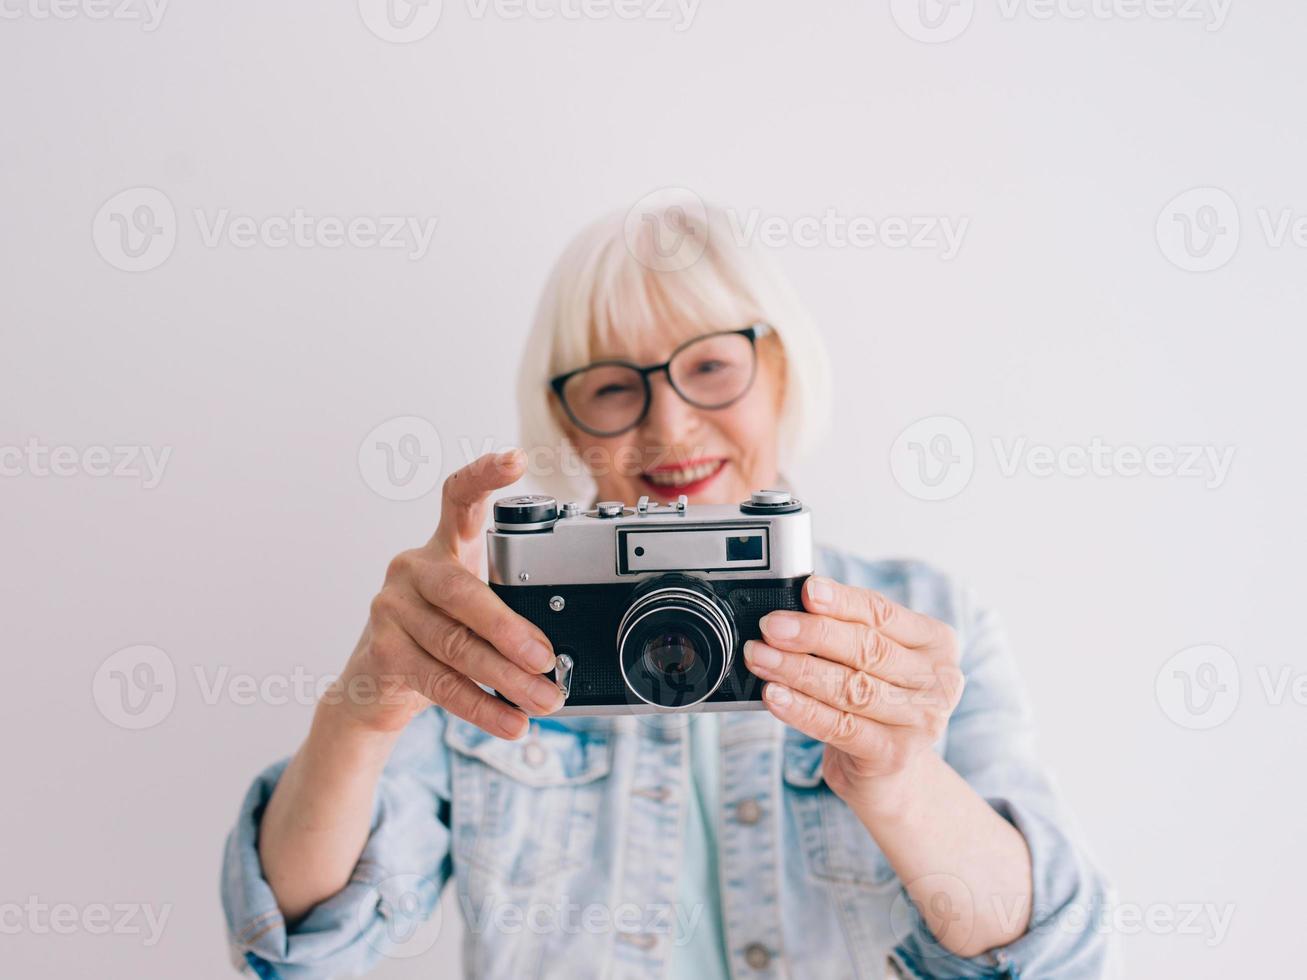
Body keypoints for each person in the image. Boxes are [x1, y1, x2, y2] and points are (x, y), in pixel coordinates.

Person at [221, 196, 1114, 978]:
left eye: (712, 366)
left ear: (780, 370)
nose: (669, 424)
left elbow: (1053, 960)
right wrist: (361, 711)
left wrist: (896, 778)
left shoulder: (922, 624)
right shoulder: (488, 630)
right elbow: (299, 946)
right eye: (612, 388)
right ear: (565, 418)